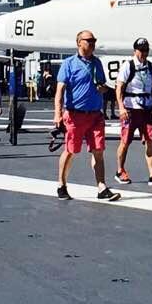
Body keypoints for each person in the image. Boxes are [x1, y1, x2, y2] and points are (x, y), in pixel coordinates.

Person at [54, 31, 120, 201]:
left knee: (98, 150)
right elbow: (60, 91)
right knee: (70, 151)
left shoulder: (97, 63)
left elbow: (103, 85)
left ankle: (101, 187)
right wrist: (58, 114)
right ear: (79, 42)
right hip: (75, 114)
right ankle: (61, 185)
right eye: (89, 41)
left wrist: (103, 89)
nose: (92, 44)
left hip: (95, 114)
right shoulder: (68, 64)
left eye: (94, 41)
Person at [115, 37, 152, 186]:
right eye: (141, 50)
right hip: (131, 108)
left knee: (151, 140)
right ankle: (120, 170)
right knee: (125, 141)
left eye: (146, 50)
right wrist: (122, 107)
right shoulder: (127, 66)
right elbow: (119, 88)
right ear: (135, 50)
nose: (143, 53)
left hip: (147, 109)